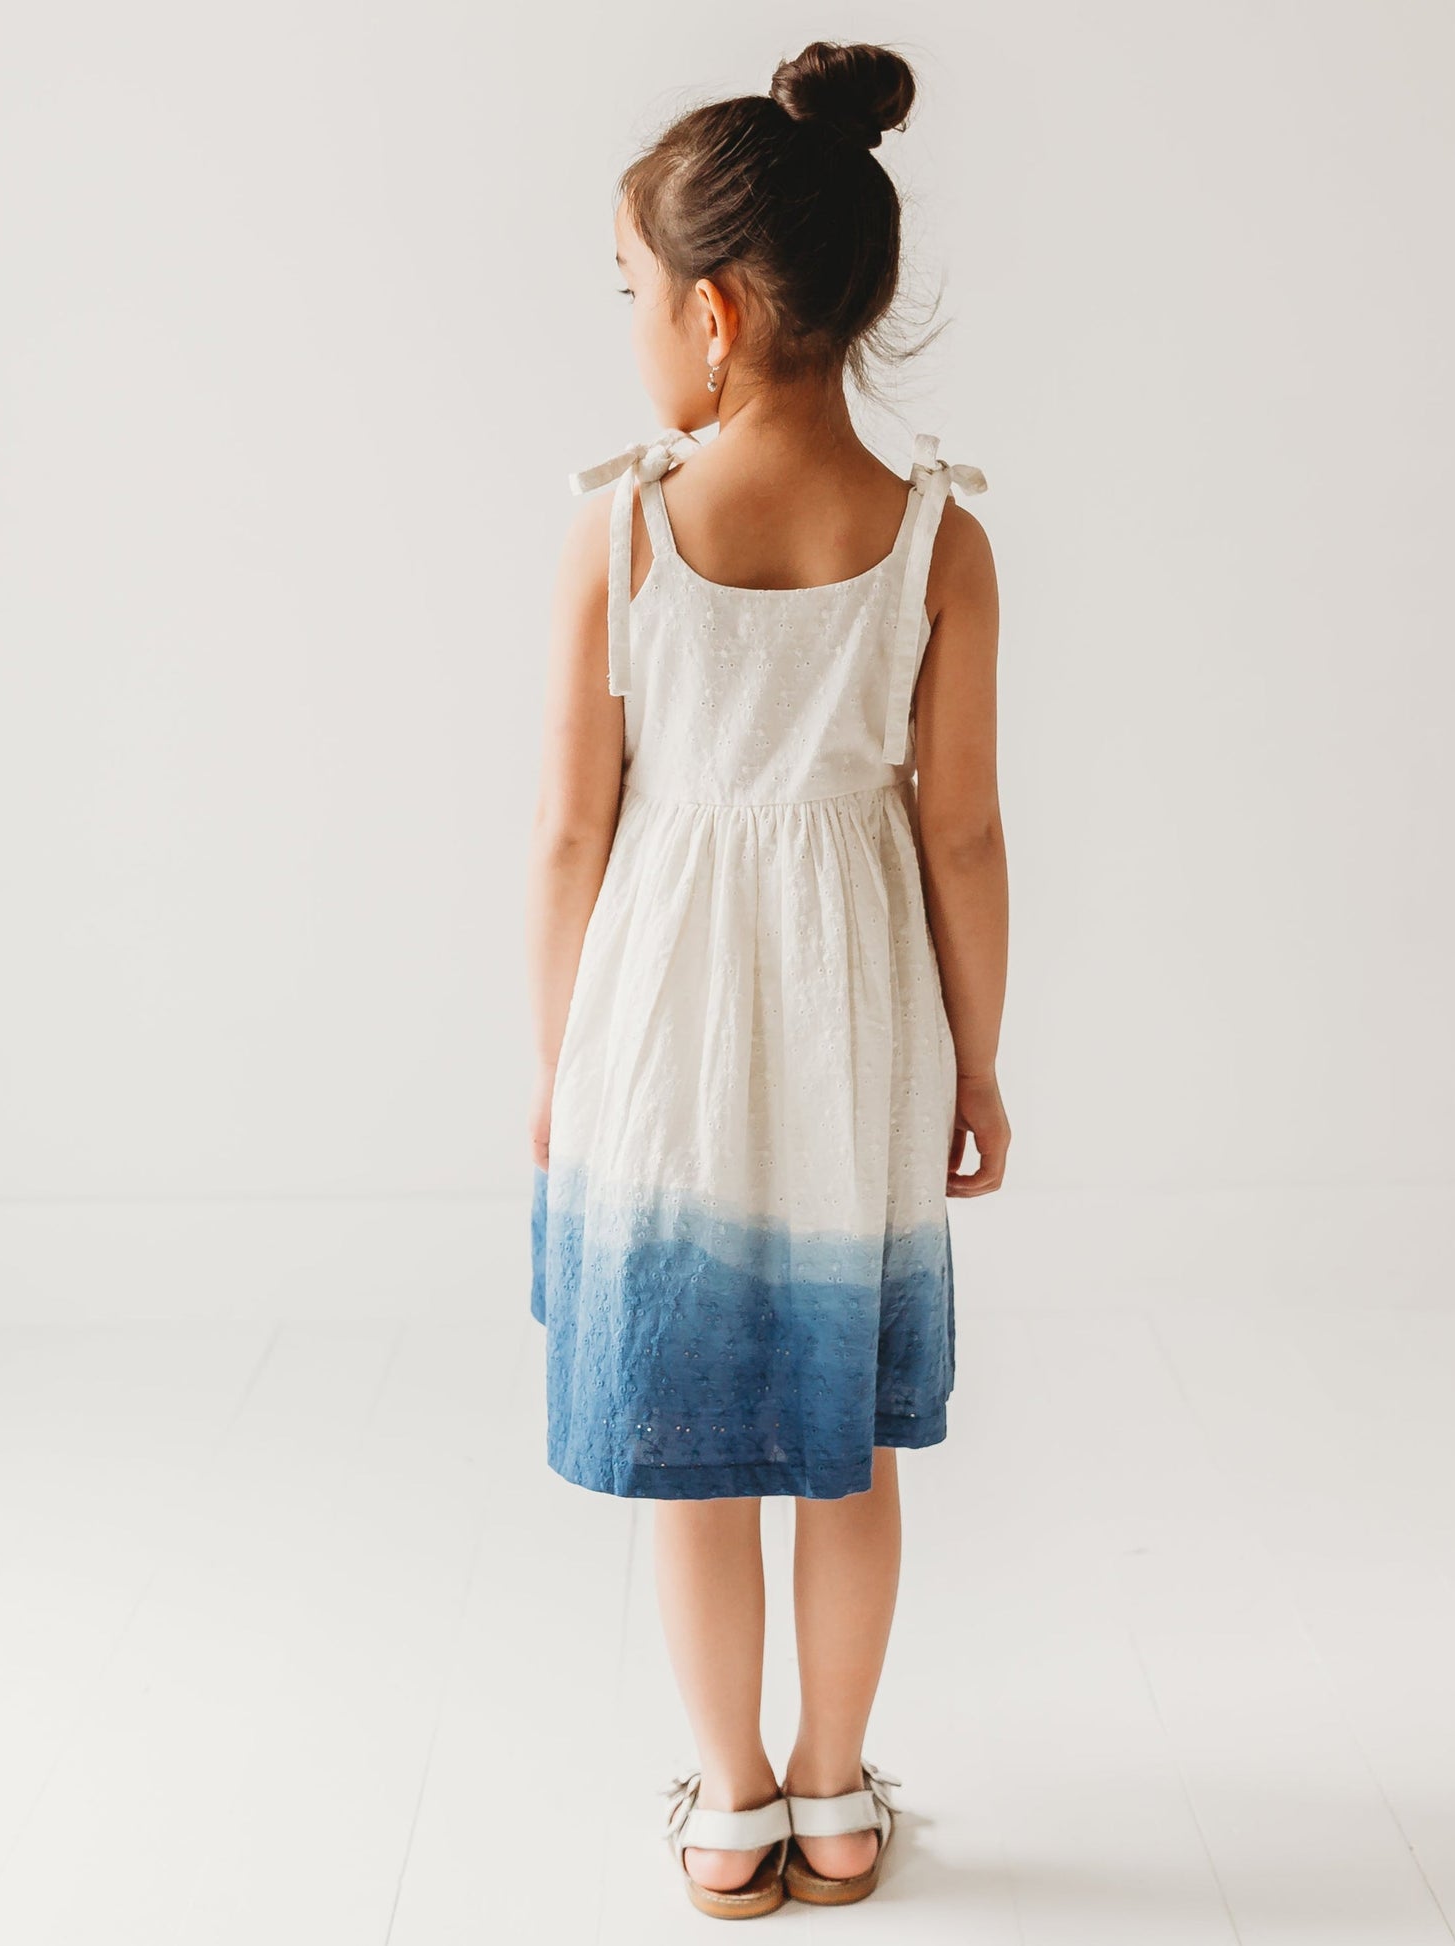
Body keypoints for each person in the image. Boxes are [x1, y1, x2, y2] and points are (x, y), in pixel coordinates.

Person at [524, 38, 1010, 1920]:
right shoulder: (940, 539)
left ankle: (728, 1807)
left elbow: (570, 833)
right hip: (855, 1026)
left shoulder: (622, 532)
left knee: (697, 1447)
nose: (633, 327)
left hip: (662, 1022)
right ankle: (835, 1794)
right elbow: (959, 835)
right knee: (843, 1440)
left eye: (631, 291)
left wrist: (559, 1065)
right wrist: (980, 1061)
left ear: (714, 312)